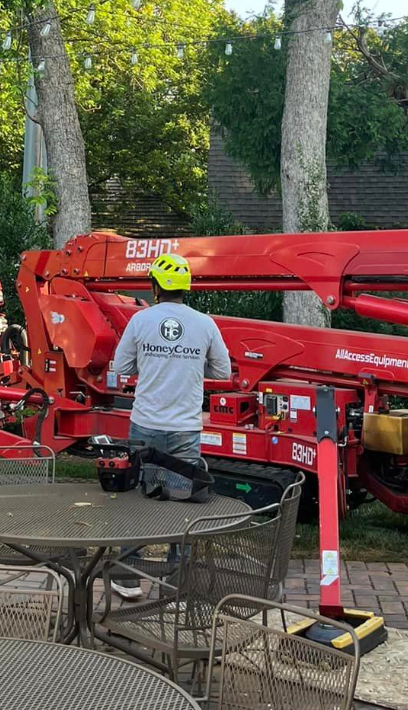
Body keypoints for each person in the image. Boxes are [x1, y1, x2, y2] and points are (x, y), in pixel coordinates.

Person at [110, 252, 231, 599]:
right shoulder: (205, 324)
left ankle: (128, 578)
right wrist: (189, 365)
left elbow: (121, 366)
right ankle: (177, 585)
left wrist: (154, 360)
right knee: (183, 507)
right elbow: (222, 372)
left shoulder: (140, 321)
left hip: (145, 426)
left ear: (154, 287)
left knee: (138, 501)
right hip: (185, 431)